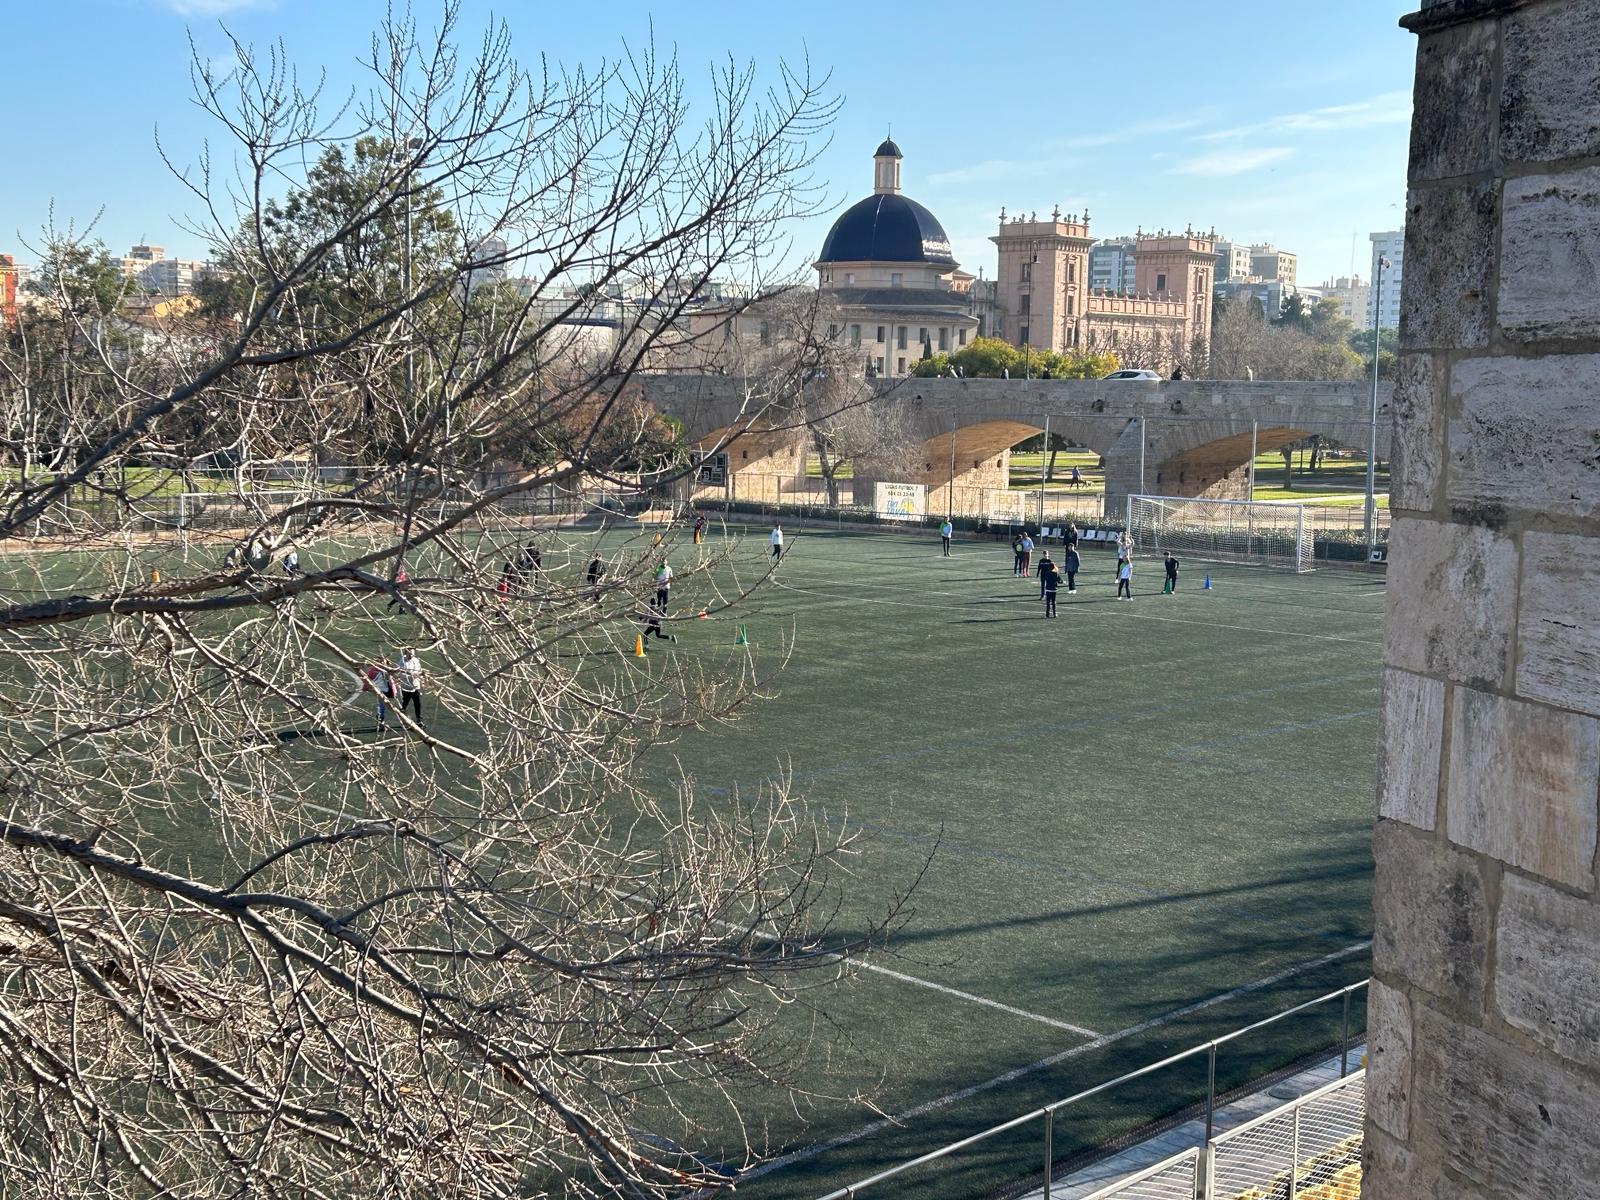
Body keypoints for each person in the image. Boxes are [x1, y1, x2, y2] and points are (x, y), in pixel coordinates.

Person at [393, 648, 424, 724]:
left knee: (418, 704)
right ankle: (402, 717)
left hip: (415, 686)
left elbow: (418, 670)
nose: (411, 655)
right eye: (410, 653)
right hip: (406, 687)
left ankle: (419, 720)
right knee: (404, 704)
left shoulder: (416, 660)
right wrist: (411, 675)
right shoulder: (402, 662)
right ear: (406, 653)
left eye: (413, 654)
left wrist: (416, 676)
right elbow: (399, 673)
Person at [365, 661, 393, 729]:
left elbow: (390, 681)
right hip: (378, 690)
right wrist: (365, 688)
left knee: (383, 705)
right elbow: (367, 679)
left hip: (385, 690)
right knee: (382, 705)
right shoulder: (374, 670)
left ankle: (380, 719)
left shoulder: (386, 670)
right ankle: (381, 721)